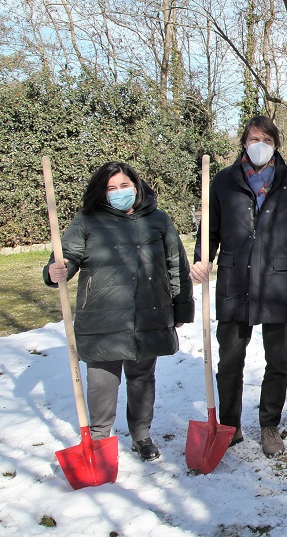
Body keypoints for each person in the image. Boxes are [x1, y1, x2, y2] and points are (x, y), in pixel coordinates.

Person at [44, 162, 194, 461]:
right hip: (102, 316)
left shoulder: (158, 220)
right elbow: (68, 255)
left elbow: (177, 265)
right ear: (102, 192)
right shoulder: (88, 220)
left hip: (148, 311)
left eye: (123, 186)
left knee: (142, 379)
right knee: (102, 381)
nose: (118, 192)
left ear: (136, 186)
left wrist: (181, 306)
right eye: (111, 188)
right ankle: (99, 440)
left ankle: (141, 436)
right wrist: (55, 270)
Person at [189, 115, 287, 457]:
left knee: (276, 361)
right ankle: (229, 426)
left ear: (275, 143)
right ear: (244, 143)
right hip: (235, 284)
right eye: (252, 138)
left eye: (265, 138)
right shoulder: (224, 182)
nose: (258, 144)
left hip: (280, 285)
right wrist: (203, 259)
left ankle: (269, 425)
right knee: (230, 361)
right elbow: (209, 232)